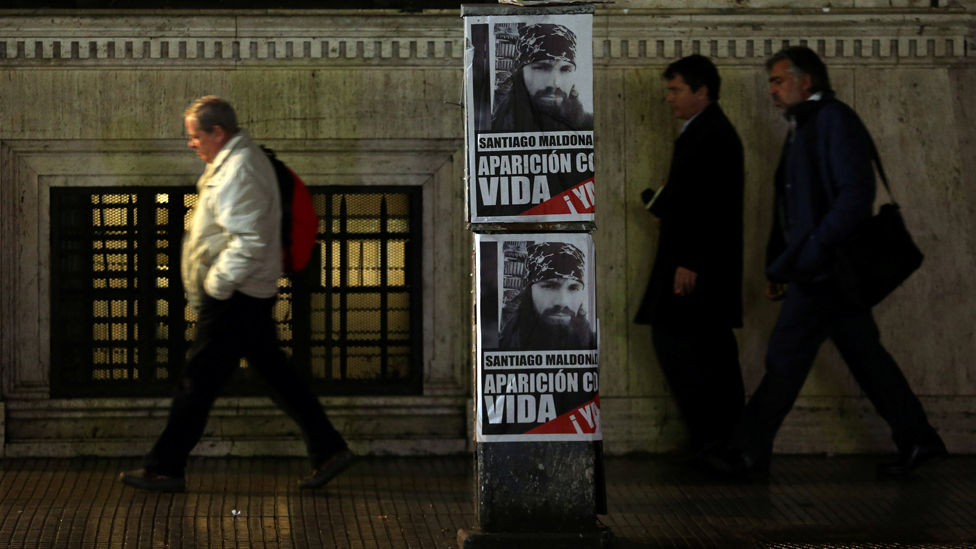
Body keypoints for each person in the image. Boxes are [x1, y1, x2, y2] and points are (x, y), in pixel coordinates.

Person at [705, 47, 946, 477]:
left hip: (827, 271)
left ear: (806, 81)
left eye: (779, 81)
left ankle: (747, 451)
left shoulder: (833, 119)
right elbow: (791, 208)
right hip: (815, 268)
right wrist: (779, 266)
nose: (772, 90)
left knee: (785, 356)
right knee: (866, 358)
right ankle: (919, 439)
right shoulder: (805, 125)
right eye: (771, 83)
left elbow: (855, 196)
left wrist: (811, 253)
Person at [120, 96, 355, 492]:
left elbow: (248, 241)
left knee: (197, 383)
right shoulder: (233, 164)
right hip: (246, 293)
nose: (191, 143)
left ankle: (164, 467)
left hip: (235, 296)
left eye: (196, 136)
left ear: (218, 132)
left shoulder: (240, 169)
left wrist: (215, 285)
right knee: (277, 377)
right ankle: (329, 448)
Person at [633, 55, 745, 452]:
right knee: (704, 350)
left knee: (690, 349)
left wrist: (691, 260)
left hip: (694, 267)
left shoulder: (711, 135)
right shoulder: (703, 132)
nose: (669, 98)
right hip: (694, 263)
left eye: (676, 90)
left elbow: (714, 207)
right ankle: (721, 440)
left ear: (702, 92)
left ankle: (716, 440)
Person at [491, 23, 593, 132]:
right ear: (520, 74)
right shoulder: (493, 128)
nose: (554, 83)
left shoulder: (590, 126)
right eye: (541, 68)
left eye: (565, 70)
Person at [498, 242, 595, 351]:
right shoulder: (501, 345)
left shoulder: (594, 345)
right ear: (528, 290)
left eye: (573, 288)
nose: (562, 302)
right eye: (550, 286)